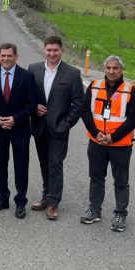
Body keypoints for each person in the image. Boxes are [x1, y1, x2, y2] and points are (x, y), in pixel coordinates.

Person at [79, 55, 135, 232]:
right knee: (96, 178)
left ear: (121, 70)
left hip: (120, 145)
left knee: (121, 181)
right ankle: (94, 210)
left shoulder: (131, 91)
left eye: (115, 68)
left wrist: (113, 137)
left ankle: (120, 213)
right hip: (96, 142)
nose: (111, 71)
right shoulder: (94, 86)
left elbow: (134, 119)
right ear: (104, 69)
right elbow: (85, 111)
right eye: (108, 68)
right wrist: (95, 133)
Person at [28, 36, 84, 221]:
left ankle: (53, 202)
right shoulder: (34, 69)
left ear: (61, 51)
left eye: (55, 50)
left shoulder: (72, 73)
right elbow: (28, 95)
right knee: (44, 164)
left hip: (59, 128)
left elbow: (78, 103)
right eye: (49, 50)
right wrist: (34, 107)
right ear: (44, 50)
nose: (52, 54)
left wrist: (67, 123)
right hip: (39, 126)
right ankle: (46, 195)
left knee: (55, 164)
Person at [0, 43, 39, 219]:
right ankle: (3, 197)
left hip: (20, 129)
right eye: (3, 56)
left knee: (21, 165)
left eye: (9, 56)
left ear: (16, 56)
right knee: (0, 163)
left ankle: (21, 201)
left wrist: (15, 119)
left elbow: (32, 103)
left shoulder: (27, 76)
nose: (6, 58)